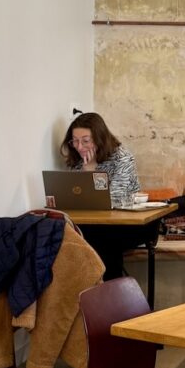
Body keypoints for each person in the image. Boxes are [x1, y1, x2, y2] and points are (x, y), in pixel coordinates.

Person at [60, 112, 141, 279]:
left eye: (85, 141)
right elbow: (75, 198)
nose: (80, 146)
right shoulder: (78, 161)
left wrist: (91, 170)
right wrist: (84, 168)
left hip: (128, 223)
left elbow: (111, 200)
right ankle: (84, 294)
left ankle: (108, 295)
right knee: (69, 236)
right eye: (75, 141)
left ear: (99, 138)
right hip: (94, 224)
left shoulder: (122, 158)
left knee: (101, 239)